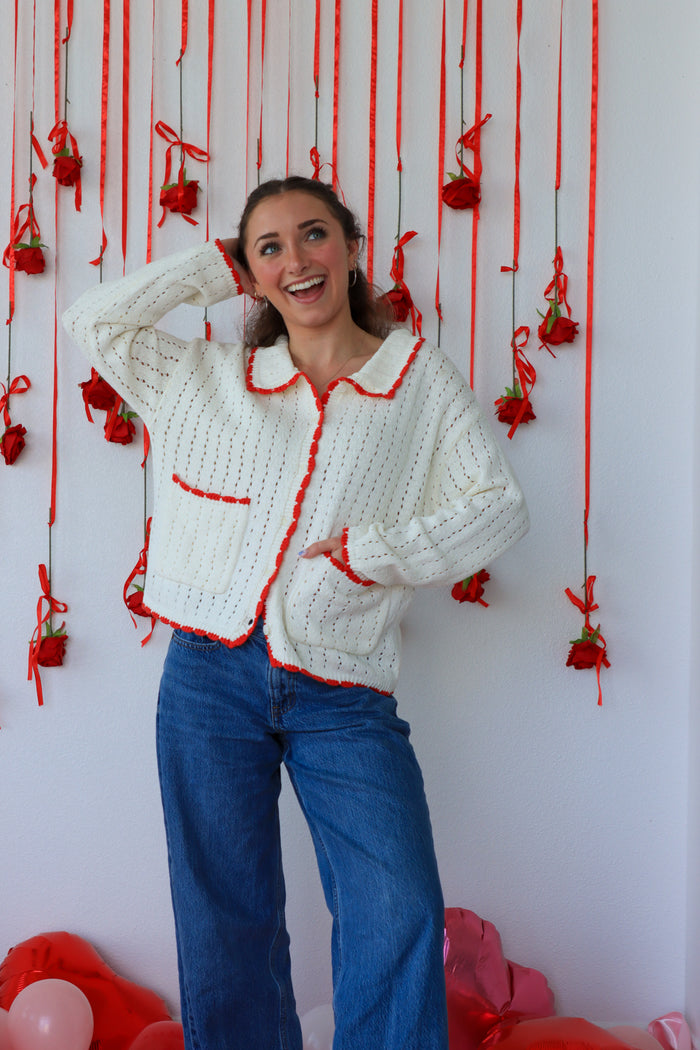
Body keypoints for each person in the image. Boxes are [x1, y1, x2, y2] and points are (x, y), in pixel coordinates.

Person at [64, 175, 529, 1050]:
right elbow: (94, 322)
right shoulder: (206, 377)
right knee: (225, 920)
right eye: (267, 246)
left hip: (342, 684)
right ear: (251, 271)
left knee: (396, 909)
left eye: (313, 235)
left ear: (351, 249)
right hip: (207, 677)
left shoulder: (416, 381)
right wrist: (210, 268)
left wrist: (365, 556)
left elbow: (496, 504)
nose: (295, 260)